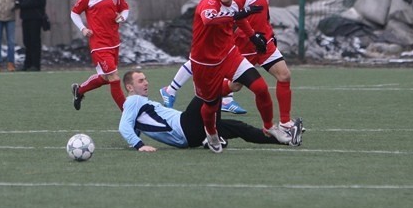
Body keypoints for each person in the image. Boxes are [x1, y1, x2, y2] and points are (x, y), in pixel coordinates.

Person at [187, 0, 293, 153]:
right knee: (210, 106)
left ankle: (269, 126)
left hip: (229, 54)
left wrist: (253, 38)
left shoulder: (235, 1)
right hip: (205, 63)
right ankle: (211, 133)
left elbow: (241, 19)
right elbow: (209, 20)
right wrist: (237, 15)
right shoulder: (208, 3)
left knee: (260, 88)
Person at [119, 70, 303, 152]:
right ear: (130, 87)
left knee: (240, 128)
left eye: (145, 79)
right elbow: (124, 126)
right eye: (140, 81)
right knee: (208, 90)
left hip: (193, 133)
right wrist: (139, 145)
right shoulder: (133, 101)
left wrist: (136, 136)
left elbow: (136, 124)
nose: (146, 83)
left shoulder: (137, 104)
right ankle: (231, 84)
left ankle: (285, 140)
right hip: (186, 127)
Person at [160, 0, 247, 114]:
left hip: (219, 22)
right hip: (210, 23)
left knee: (208, 59)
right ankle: (224, 99)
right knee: (207, 59)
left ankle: (170, 90)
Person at [232, 0, 303, 131]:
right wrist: (253, 36)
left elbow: (265, 16)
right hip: (245, 46)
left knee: (284, 75)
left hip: (264, 44)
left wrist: (270, 35)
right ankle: (206, 96)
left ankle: (285, 122)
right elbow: (237, 19)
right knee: (235, 86)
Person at [70, 0, 129, 111]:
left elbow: (125, 9)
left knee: (105, 78)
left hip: (114, 42)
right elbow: (74, 13)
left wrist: (122, 17)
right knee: (114, 78)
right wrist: (83, 28)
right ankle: (129, 115)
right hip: (99, 44)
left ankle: (80, 90)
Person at [15, 0, 48, 71]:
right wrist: (18, 3)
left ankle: (35, 65)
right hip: (25, 17)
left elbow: (38, 1)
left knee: (35, 41)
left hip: (36, 17)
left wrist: (22, 4)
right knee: (27, 41)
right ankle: (27, 64)